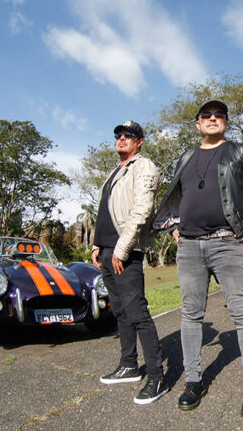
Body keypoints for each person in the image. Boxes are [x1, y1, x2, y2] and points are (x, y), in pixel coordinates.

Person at [153, 99, 243, 419]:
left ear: (225, 122)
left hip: (228, 243)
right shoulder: (185, 158)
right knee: (191, 315)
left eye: (219, 115)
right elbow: (177, 199)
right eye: (206, 115)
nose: (213, 118)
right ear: (197, 124)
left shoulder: (240, 152)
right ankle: (194, 381)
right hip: (189, 248)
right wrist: (174, 228)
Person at [91, 120, 167, 405]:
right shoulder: (114, 172)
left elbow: (142, 210)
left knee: (137, 312)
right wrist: (98, 246)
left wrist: (121, 249)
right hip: (108, 249)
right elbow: (104, 213)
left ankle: (158, 377)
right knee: (120, 311)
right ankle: (129, 365)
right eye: (118, 135)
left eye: (129, 135)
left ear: (140, 142)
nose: (122, 139)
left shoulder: (144, 167)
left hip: (126, 250)